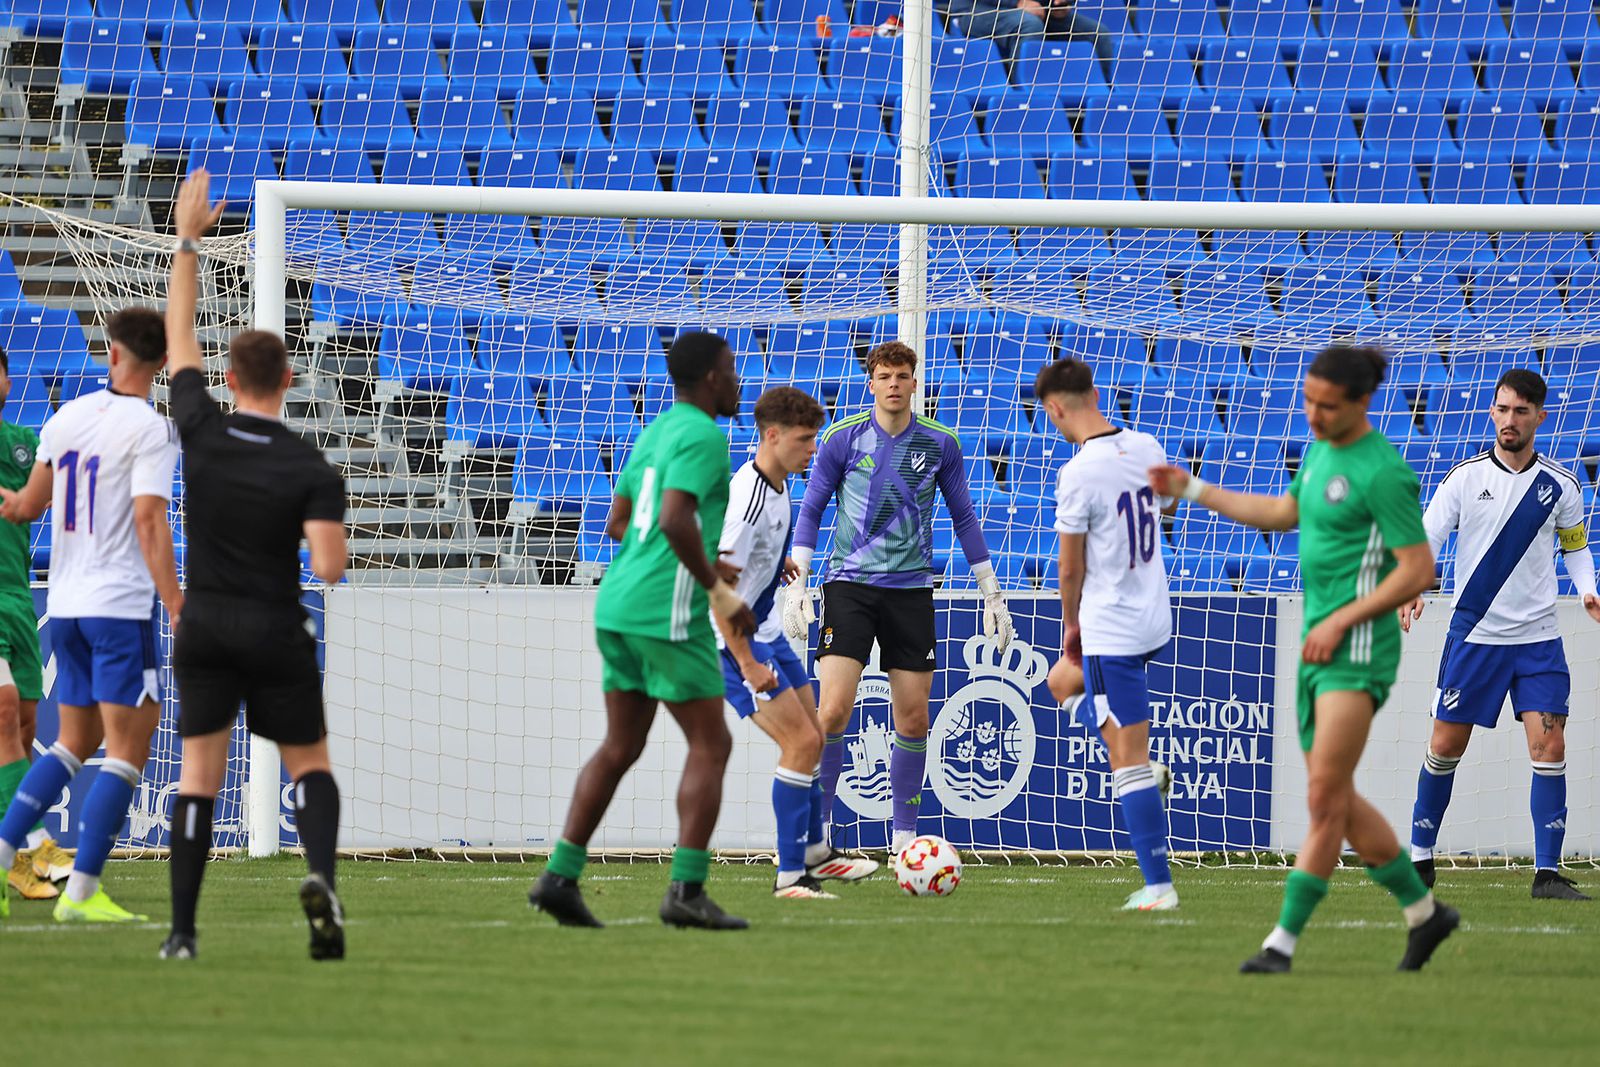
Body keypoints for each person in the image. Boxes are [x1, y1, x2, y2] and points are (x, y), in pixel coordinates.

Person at [1148, 345, 1459, 974]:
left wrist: (1344, 617)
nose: (1313, 415)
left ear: (1361, 403)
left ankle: (1280, 946)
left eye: (1327, 406)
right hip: (1319, 647)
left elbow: (1419, 569)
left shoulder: (1384, 473)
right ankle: (1426, 914)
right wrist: (1194, 487)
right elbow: (1285, 513)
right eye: (1308, 401)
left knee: (1323, 796)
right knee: (1335, 796)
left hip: (1358, 650)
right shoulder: (1321, 451)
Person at [157, 170, 351, 961]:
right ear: (291, 381)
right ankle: (322, 883)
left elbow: (178, 338)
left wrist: (188, 240)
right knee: (309, 764)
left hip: (204, 620)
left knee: (199, 774)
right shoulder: (311, 465)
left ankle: (181, 931)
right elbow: (331, 569)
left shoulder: (199, 427)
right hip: (275, 624)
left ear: (228, 380)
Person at [528, 330, 757, 930]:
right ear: (711, 378)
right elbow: (675, 518)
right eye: (731, 369)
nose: (737, 379)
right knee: (713, 744)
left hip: (618, 604)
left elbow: (619, 522)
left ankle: (559, 875)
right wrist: (719, 589)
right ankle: (686, 890)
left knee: (621, 744)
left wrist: (704, 553)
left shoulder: (653, 431)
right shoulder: (705, 434)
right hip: (664, 611)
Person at [783, 341, 1013, 859]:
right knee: (834, 710)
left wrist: (991, 593)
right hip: (850, 589)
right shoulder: (842, 441)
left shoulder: (941, 444)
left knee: (913, 720)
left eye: (901, 375)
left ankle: (904, 839)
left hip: (911, 593)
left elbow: (965, 519)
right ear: (871, 383)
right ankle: (815, 836)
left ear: (915, 383)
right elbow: (812, 508)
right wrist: (797, 583)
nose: (892, 384)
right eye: (883, 375)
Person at [0, 308, 181, 924]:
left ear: (111, 353)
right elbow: (151, 521)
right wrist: (176, 601)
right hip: (119, 607)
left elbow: (26, 506)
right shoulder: (150, 428)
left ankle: (4, 855)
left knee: (74, 742)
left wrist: (13, 502)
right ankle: (80, 894)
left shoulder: (66, 417)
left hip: (67, 605)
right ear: (160, 363)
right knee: (129, 749)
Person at [1403, 369, 1598, 902]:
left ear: (1539, 416)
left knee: (1550, 744)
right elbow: (1427, 536)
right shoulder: (1464, 479)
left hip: (1538, 639)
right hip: (1476, 636)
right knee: (1446, 746)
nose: (1508, 420)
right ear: (1492, 412)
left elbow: (1576, 547)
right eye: (1501, 409)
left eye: (1519, 412)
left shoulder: (1561, 485)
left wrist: (1587, 589)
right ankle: (1419, 858)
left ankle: (1547, 873)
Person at [714, 386, 878, 900]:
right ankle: (790, 877)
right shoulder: (749, 501)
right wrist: (745, 662)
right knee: (801, 743)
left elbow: (757, 554)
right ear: (772, 435)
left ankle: (815, 854)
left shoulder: (779, 481)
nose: (814, 449)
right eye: (806, 440)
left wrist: (776, 561)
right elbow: (716, 589)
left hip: (764, 629)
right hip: (730, 641)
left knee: (815, 729)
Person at [1037, 357, 1178, 911]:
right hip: (1153, 615)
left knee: (1127, 762)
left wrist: (1070, 625)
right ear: (1095, 393)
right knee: (1058, 683)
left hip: (1111, 627)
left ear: (1053, 409)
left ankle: (1159, 886)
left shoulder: (1077, 473)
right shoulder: (1145, 446)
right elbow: (1164, 505)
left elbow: (1069, 569)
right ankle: (1147, 770)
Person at [0, 346, 63, 906]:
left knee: (21, 732)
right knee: (2, 720)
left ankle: (19, 860)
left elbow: (45, 501)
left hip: (18, 598)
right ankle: (37, 848)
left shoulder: (25, 443)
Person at [944, 0, 1113, 63]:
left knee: (1098, 33)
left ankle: (1107, 94)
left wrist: (1057, 3)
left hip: (1035, 10)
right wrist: (1017, 2)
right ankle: (1023, 91)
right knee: (1029, 25)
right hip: (977, 9)